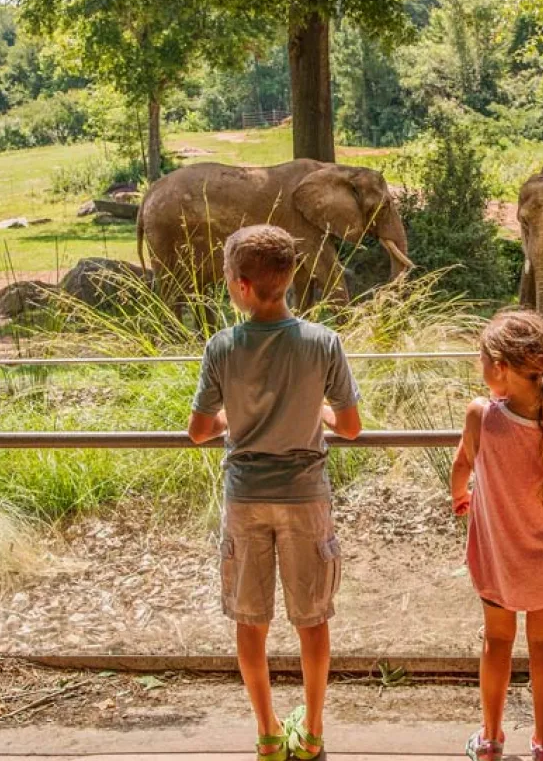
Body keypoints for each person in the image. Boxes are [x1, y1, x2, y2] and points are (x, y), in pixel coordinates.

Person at [187, 224, 362, 761]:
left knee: (250, 620)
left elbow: (198, 430)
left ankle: (266, 734)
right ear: (289, 279)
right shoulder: (321, 341)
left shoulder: (223, 347)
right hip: (306, 495)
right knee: (312, 620)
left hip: (246, 496)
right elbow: (351, 426)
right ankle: (310, 734)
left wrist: (230, 419)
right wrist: (322, 412)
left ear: (241, 287)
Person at [449, 310, 543, 761]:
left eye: (482, 360)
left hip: (498, 560)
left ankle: (490, 738)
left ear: (501, 368)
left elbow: (460, 471)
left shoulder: (482, 418)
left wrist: (461, 498)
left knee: (497, 642)